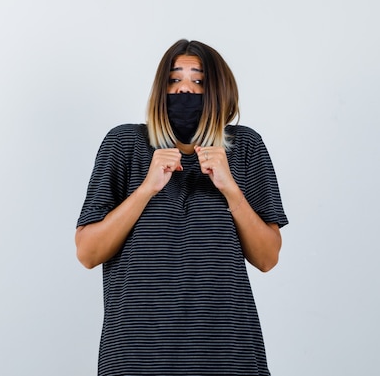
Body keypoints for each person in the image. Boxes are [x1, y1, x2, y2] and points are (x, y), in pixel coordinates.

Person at [75, 39, 288, 375]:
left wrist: (230, 187)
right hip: (136, 352)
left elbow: (267, 258)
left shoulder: (245, 146)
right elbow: (87, 252)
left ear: (219, 90)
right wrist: (147, 188)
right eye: (174, 80)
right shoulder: (124, 144)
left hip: (227, 351)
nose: (185, 89)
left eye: (198, 81)